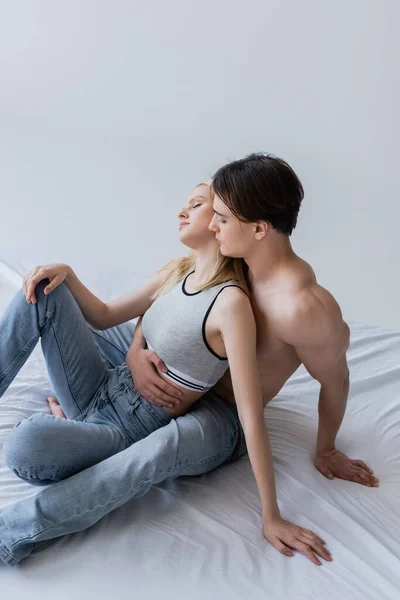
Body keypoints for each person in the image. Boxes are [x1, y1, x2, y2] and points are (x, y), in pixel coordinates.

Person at [0, 154, 377, 568]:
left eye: (221, 217)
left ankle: (9, 532)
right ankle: (81, 429)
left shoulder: (302, 308)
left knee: (158, 450)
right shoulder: (232, 257)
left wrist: (324, 452)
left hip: (222, 411)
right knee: (50, 296)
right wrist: (135, 350)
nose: (212, 224)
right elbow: (169, 307)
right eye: (211, 213)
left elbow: (336, 379)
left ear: (258, 228)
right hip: (176, 373)